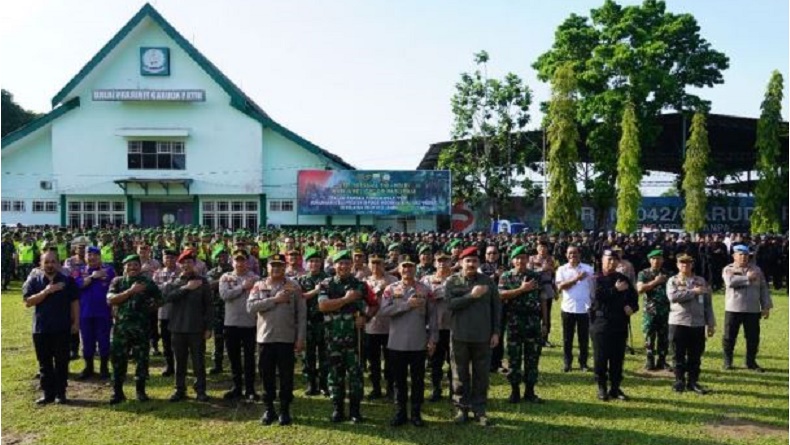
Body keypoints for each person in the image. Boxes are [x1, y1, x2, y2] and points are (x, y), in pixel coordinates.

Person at [247, 253, 306, 426]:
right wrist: (275, 299)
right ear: (267, 267)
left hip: (286, 339)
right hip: (265, 338)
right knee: (266, 375)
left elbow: (301, 314)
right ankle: (269, 409)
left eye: (280, 265)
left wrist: (300, 338)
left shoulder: (294, 286)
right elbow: (250, 307)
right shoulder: (259, 285)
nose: (276, 268)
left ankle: (284, 409)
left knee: (286, 376)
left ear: (285, 267)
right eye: (273, 265)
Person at [445, 246, 501, 427]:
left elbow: (496, 308)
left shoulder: (487, 282)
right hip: (460, 335)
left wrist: (496, 332)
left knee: (481, 375)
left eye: (474, 261)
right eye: (467, 261)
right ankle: (461, 408)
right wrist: (472, 295)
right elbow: (450, 305)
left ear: (479, 263)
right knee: (459, 374)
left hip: (482, 336)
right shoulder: (452, 281)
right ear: (461, 263)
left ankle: (479, 409)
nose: (471, 264)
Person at [379, 259, 438, 427]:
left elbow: (432, 317)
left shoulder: (425, 290)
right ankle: (401, 413)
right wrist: (407, 305)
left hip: (418, 342)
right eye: (404, 266)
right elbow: (384, 311)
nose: (407, 269)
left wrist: (433, 339)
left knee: (418, 380)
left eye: (410, 266)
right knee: (399, 380)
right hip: (397, 343)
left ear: (415, 268)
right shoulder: (390, 289)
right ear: (399, 269)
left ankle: (416, 413)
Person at [317, 250, 372, 424]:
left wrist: (366, 317)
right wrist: (346, 300)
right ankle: (338, 409)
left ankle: (355, 411)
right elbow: (323, 306)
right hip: (333, 338)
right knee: (335, 375)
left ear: (352, 265)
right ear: (334, 266)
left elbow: (374, 304)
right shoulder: (325, 284)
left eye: (347, 263)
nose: (344, 266)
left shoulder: (360, 285)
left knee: (356, 375)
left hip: (355, 339)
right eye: (340, 263)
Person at [23, 251, 79, 404]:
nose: (50, 265)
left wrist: (76, 323)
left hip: (62, 328)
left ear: (59, 264)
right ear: (41, 264)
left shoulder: (68, 281)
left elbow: (74, 302)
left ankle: (61, 393)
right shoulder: (34, 281)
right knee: (44, 363)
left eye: (53, 261)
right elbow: (28, 302)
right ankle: (48, 394)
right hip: (41, 329)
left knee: (62, 362)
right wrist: (47, 291)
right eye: (46, 262)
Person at [106, 254, 163, 403]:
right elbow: (110, 300)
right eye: (129, 265)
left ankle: (140, 391)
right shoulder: (118, 281)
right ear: (124, 267)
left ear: (140, 267)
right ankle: (117, 392)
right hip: (121, 329)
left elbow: (160, 299)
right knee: (118, 360)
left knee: (142, 360)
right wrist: (130, 291)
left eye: (136, 265)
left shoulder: (147, 282)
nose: (132, 268)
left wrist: (148, 309)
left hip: (141, 329)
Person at [163, 251, 214, 402]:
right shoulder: (174, 282)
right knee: (180, 361)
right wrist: (186, 288)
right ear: (180, 265)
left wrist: (209, 327)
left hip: (196, 328)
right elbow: (167, 298)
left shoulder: (202, 282)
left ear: (194, 264)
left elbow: (209, 306)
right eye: (184, 263)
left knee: (198, 361)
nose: (186, 265)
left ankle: (200, 390)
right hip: (177, 327)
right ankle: (179, 389)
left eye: (190, 262)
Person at [498, 245, 547, 403]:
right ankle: (515, 391)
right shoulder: (506, 276)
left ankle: (530, 392)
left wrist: (545, 323)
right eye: (517, 258)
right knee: (514, 358)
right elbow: (501, 295)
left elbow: (542, 299)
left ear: (528, 259)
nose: (520, 261)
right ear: (512, 260)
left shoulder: (535, 276)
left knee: (532, 358)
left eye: (523, 258)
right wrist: (521, 289)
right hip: (514, 322)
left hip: (533, 322)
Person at [590, 249, 638, 401]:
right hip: (601, 323)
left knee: (617, 358)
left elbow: (634, 299)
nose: (612, 262)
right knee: (601, 357)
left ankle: (615, 388)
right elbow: (597, 297)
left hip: (619, 323)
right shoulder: (595, 278)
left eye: (615, 260)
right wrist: (615, 290)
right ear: (602, 260)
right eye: (609, 259)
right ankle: (602, 387)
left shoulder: (623, 278)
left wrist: (632, 308)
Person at [667, 254, 716, 394]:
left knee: (695, 355)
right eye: (682, 263)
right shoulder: (673, 280)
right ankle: (679, 380)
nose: (685, 265)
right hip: (679, 322)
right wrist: (693, 292)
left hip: (697, 323)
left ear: (692, 264)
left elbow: (707, 304)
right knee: (678, 353)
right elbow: (673, 297)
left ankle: (693, 381)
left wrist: (710, 323)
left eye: (688, 263)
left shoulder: (700, 280)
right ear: (677, 265)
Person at [721, 244, 773, 371]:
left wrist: (766, 306)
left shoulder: (757, 270)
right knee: (729, 337)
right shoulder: (729, 269)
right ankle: (728, 361)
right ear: (734, 256)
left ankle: (751, 362)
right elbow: (730, 282)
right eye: (740, 255)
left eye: (746, 255)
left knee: (753, 337)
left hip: (752, 309)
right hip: (734, 308)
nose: (743, 257)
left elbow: (763, 288)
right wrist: (747, 278)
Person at [219, 249, 260, 402]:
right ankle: (236, 386)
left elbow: (259, 297)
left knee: (249, 358)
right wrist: (242, 287)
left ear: (247, 262)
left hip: (249, 323)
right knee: (233, 357)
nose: (240, 263)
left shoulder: (255, 279)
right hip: (231, 323)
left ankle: (250, 389)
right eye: (237, 260)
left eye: (243, 260)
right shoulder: (226, 277)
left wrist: (246, 287)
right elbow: (224, 295)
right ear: (232, 262)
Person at [74, 246, 116, 380]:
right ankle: (89, 367)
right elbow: (77, 286)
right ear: (85, 257)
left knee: (104, 341)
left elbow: (116, 288)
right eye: (89, 255)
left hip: (103, 312)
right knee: (87, 341)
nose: (92, 257)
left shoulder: (109, 271)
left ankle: (104, 368)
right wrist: (92, 277)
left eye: (95, 255)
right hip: (85, 313)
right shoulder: (79, 271)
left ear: (100, 256)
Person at [296, 249, 330, 396]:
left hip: (324, 321)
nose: (314, 264)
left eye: (317, 261)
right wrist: (315, 291)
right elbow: (299, 298)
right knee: (308, 355)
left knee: (325, 355)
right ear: (306, 263)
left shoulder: (328, 279)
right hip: (308, 322)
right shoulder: (301, 280)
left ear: (321, 263)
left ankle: (324, 384)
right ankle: (311, 384)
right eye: (311, 261)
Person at [363, 254, 397, 401]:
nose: (376, 266)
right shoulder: (364, 282)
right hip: (371, 326)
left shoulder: (393, 281)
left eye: (379, 263)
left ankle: (390, 389)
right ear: (369, 266)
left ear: (384, 265)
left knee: (390, 361)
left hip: (390, 327)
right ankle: (376, 388)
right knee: (373, 361)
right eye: (373, 263)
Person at [555, 245, 594, 372]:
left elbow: (593, 287)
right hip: (568, 308)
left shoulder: (588, 269)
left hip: (584, 308)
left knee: (584, 338)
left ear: (579, 254)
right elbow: (560, 287)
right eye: (570, 253)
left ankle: (583, 363)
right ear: (566, 255)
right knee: (567, 338)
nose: (573, 255)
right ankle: (567, 363)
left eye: (575, 253)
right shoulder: (562, 269)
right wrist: (576, 278)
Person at [422, 252, 453, 402]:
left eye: (445, 261)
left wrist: (438, 293)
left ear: (450, 263)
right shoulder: (426, 279)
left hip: (453, 326)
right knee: (435, 361)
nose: (442, 263)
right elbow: (423, 295)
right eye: (439, 261)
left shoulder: (457, 279)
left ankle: (454, 389)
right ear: (434, 263)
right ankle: (436, 389)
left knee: (454, 361)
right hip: (434, 326)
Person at [636, 249, 671, 371]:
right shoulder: (643, 273)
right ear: (649, 260)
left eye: (659, 258)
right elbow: (640, 289)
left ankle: (662, 360)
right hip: (650, 311)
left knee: (664, 337)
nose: (656, 261)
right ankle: (649, 360)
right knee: (649, 336)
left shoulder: (668, 274)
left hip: (665, 310)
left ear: (662, 260)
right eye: (654, 259)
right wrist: (656, 281)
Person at [153, 249, 179, 376]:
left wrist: (164, 287)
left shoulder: (181, 272)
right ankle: (169, 366)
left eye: (172, 257)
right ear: (163, 259)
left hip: (178, 312)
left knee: (178, 341)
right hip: (163, 312)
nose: (169, 260)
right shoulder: (158, 273)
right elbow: (154, 289)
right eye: (166, 258)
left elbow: (181, 288)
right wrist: (169, 285)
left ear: (176, 259)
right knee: (166, 340)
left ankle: (179, 365)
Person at [207, 248, 233, 375]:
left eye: (224, 256)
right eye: (219, 256)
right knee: (218, 337)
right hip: (217, 309)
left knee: (232, 338)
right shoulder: (212, 272)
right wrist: (223, 280)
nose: (222, 258)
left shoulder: (233, 270)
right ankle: (217, 364)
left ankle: (233, 364)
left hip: (232, 308)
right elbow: (209, 285)